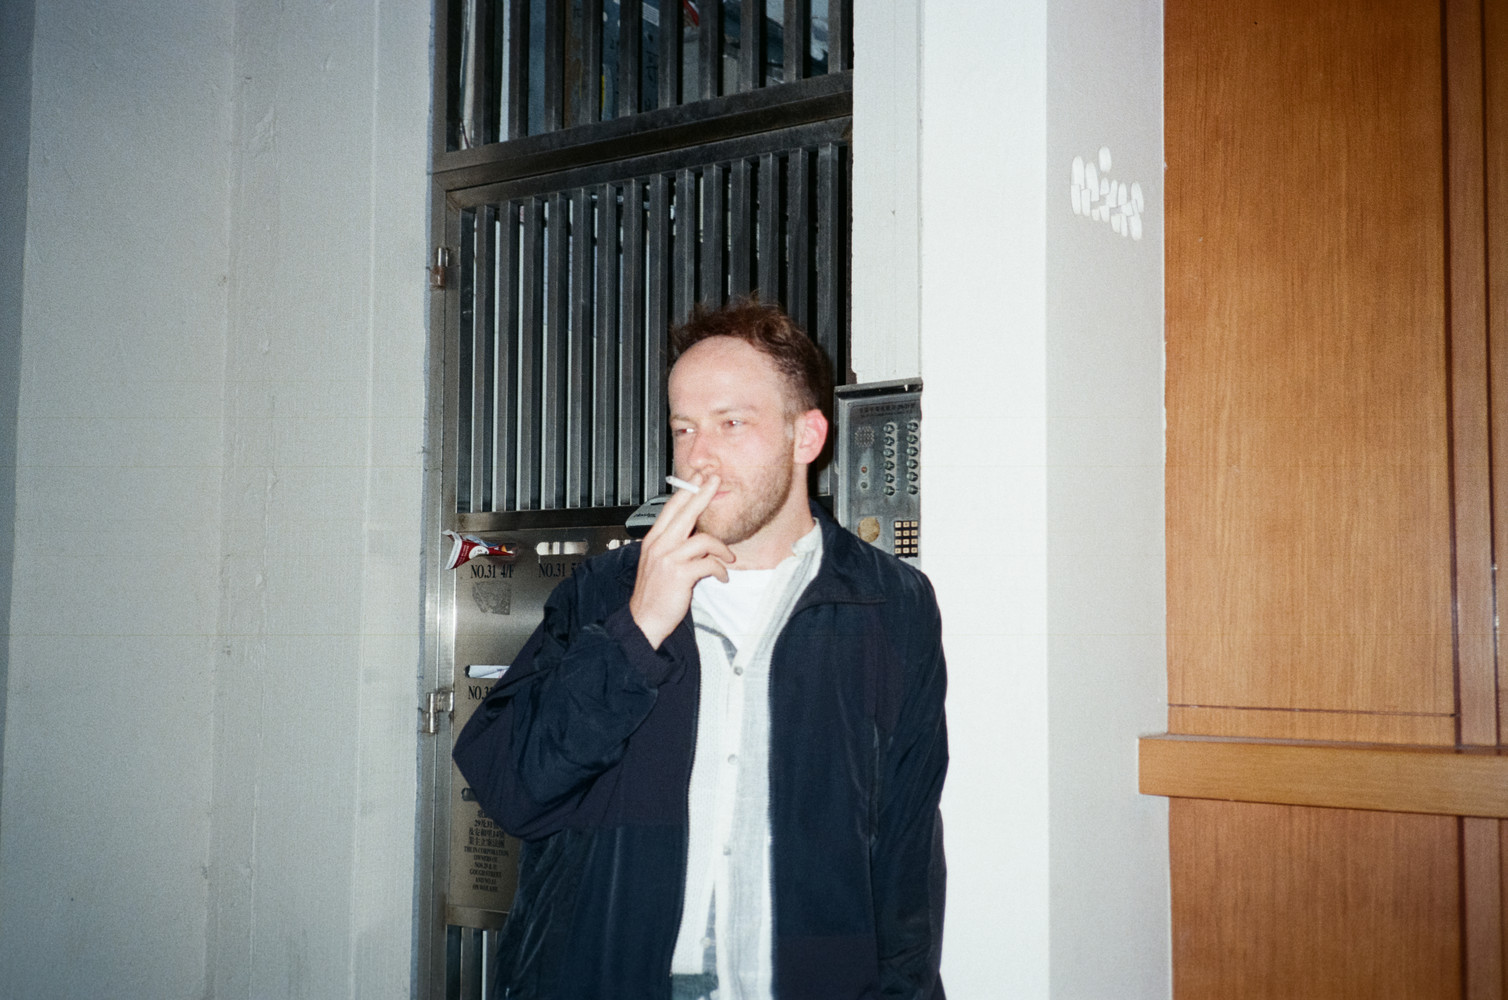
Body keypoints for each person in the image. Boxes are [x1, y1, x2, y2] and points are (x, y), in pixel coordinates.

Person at [453, 300, 948, 1000]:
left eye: (731, 423)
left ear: (806, 436)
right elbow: (512, 790)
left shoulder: (891, 605)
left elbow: (905, 848)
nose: (698, 457)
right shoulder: (605, 591)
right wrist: (636, 632)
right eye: (683, 428)